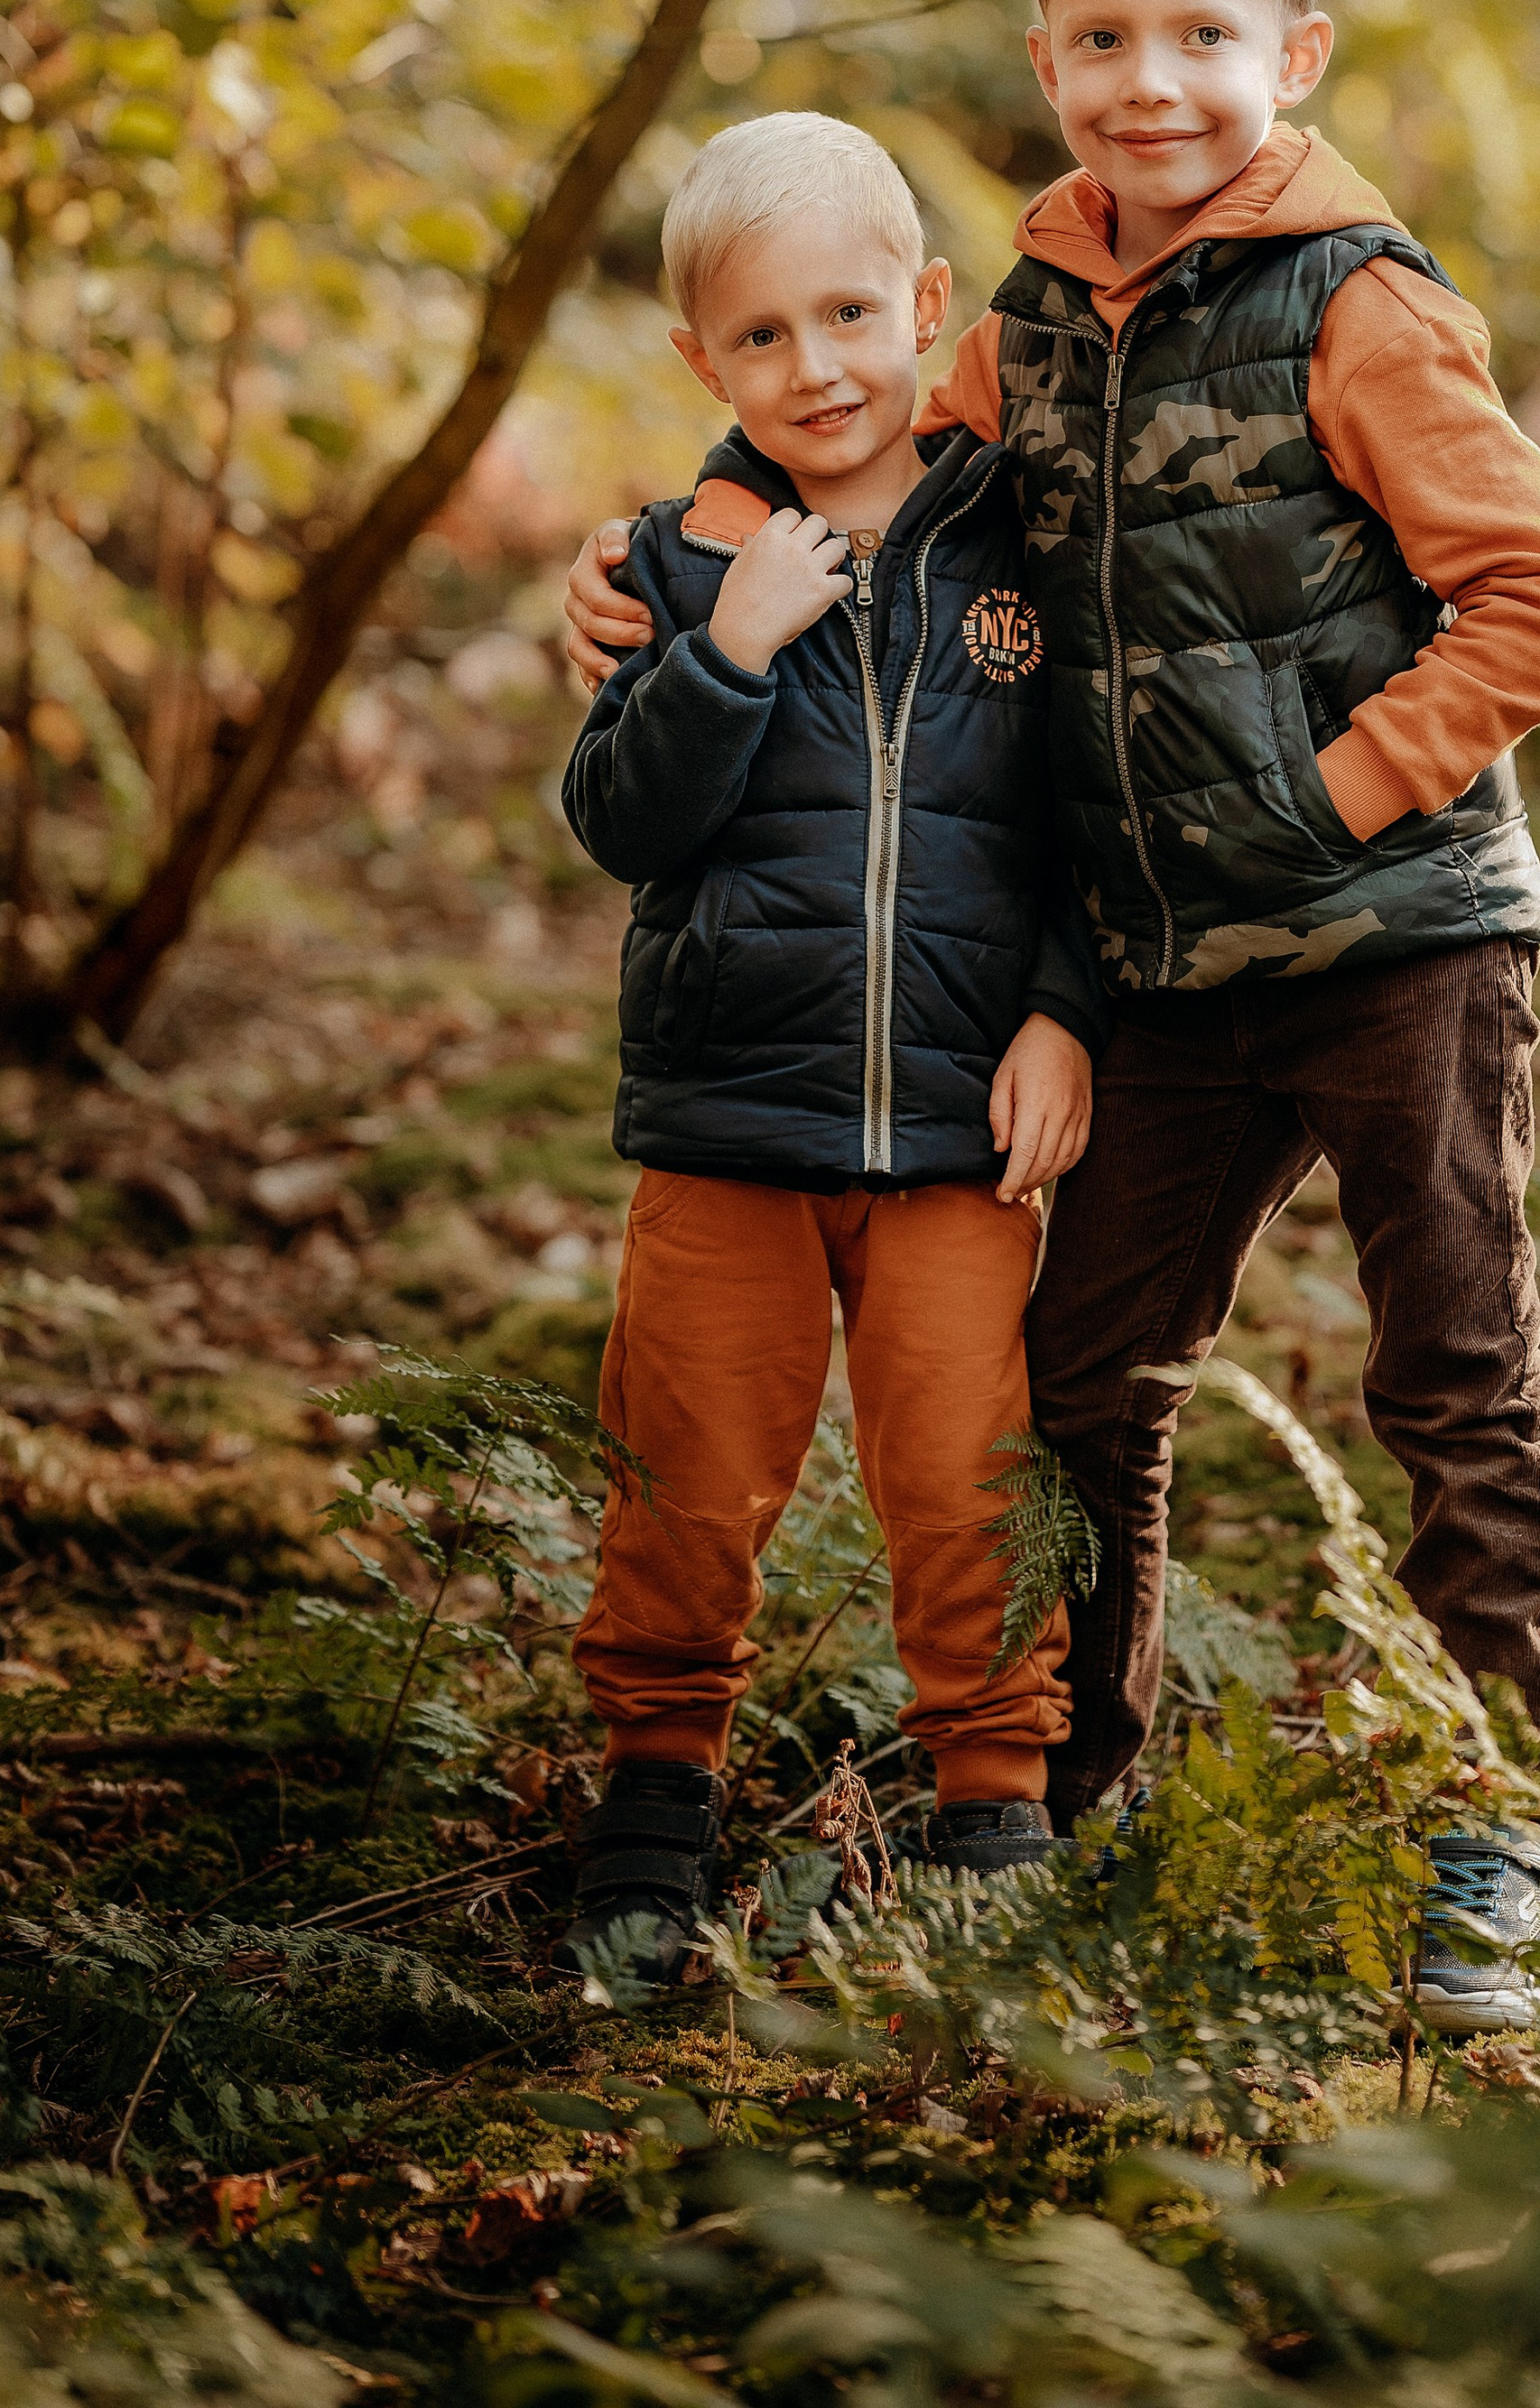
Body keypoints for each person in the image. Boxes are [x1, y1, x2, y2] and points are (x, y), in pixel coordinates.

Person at [564, 0, 1540, 2029]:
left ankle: (1491, 1817)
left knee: (1450, 1369)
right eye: (1105, 36)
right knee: (1081, 1384)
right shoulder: (1028, 316)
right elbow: (850, 449)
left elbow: (1536, 604)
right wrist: (664, 560)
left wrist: (1320, 793)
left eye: (1202, 35)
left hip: (1402, 938)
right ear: (1046, 59)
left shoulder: (1361, 302)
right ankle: (1057, 1793)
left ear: (1292, 53)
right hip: (1159, 973)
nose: (1154, 81)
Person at [554, 113, 1107, 1979]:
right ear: (702, 364)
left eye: (851, 315)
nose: (816, 368)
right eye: (763, 338)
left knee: (961, 1466)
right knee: (688, 1468)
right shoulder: (677, 561)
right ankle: (650, 1790)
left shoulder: (1023, 544)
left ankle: (991, 1798)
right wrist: (722, 655)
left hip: (958, 1123)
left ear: (925, 307)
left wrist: (1062, 1011)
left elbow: (1088, 818)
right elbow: (623, 822)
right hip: (727, 1120)